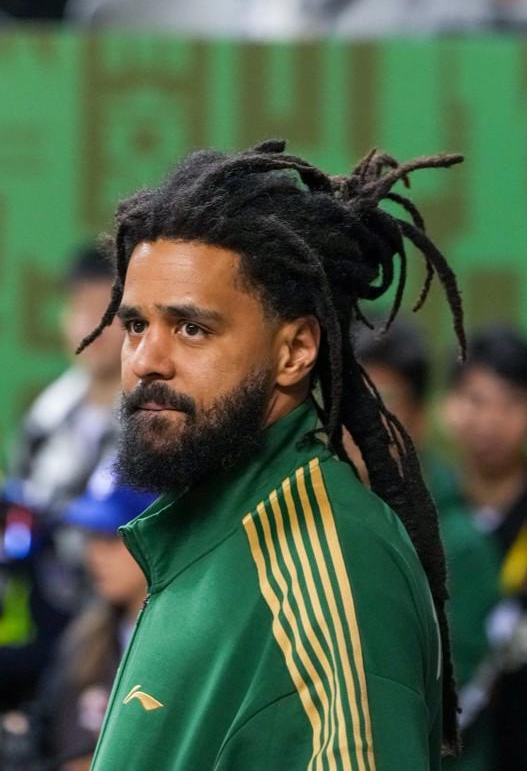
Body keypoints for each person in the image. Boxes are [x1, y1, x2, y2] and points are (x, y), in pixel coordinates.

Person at [78, 140, 465, 769]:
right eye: (136, 326)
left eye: (192, 328)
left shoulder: (334, 570)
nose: (147, 361)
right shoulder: (210, 530)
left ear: (295, 351)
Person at [354, 318, 500, 771]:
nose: (358, 421)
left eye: (382, 399)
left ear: (416, 415)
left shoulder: (459, 543)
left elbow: (452, 700)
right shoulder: (323, 514)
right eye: (348, 399)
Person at [0, 246, 123, 711]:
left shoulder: (156, 417)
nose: (90, 326)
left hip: (118, 628)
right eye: (79, 309)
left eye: (105, 312)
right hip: (43, 621)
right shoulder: (46, 417)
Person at [443, 324, 527, 770]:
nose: (491, 422)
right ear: (448, 406)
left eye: (511, 403)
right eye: (476, 400)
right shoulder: (426, 508)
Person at [35, 461, 154, 771]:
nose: (94, 554)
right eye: (91, 536)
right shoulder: (86, 637)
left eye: (112, 538)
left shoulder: (188, 636)